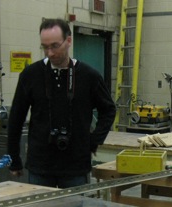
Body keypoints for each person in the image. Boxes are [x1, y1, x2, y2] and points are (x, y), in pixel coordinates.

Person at [8, 18, 116, 188]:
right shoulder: (30, 75)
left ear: (69, 41)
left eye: (55, 46)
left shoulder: (89, 76)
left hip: (75, 166)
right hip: (40, 165)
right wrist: (14, 158)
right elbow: (16, 117)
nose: (50, 53)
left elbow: (108, 110)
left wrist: (93, 141)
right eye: (45, 47)